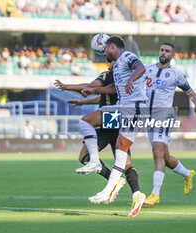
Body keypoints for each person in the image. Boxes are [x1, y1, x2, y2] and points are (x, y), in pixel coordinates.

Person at [53, 63, 141, 205]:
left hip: (109, 121)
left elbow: (90, 86)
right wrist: (83, 102)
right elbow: (102, 96)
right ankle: (137, 193)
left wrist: (66, 87)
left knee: (84, 155)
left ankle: (113, 178)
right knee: (125, 163)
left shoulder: (108, 75)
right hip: (122, 120)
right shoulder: (127, 77)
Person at [79, 36, 147, 217]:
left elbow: (141, 68)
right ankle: (95, 163)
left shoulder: (127, 57)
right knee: (87, 120)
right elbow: (114, 89)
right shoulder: (116, 65)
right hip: (121, 108)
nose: (103, 53)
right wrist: (94, 90)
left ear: (112, 46)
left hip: (135, 108)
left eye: (105, 50)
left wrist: (131, 80)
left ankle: (108, 189)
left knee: (121, 150)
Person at [142, 43, 196, 206]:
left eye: (167, 51)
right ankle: (188, 174)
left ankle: (155, 194)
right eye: (162, 50)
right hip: (149, 117)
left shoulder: (176, 75)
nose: (163, 53)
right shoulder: (147, 69)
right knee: (165, 158)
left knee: (157, 152)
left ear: (172, 55)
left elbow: (192, 93)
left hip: (165, 115)